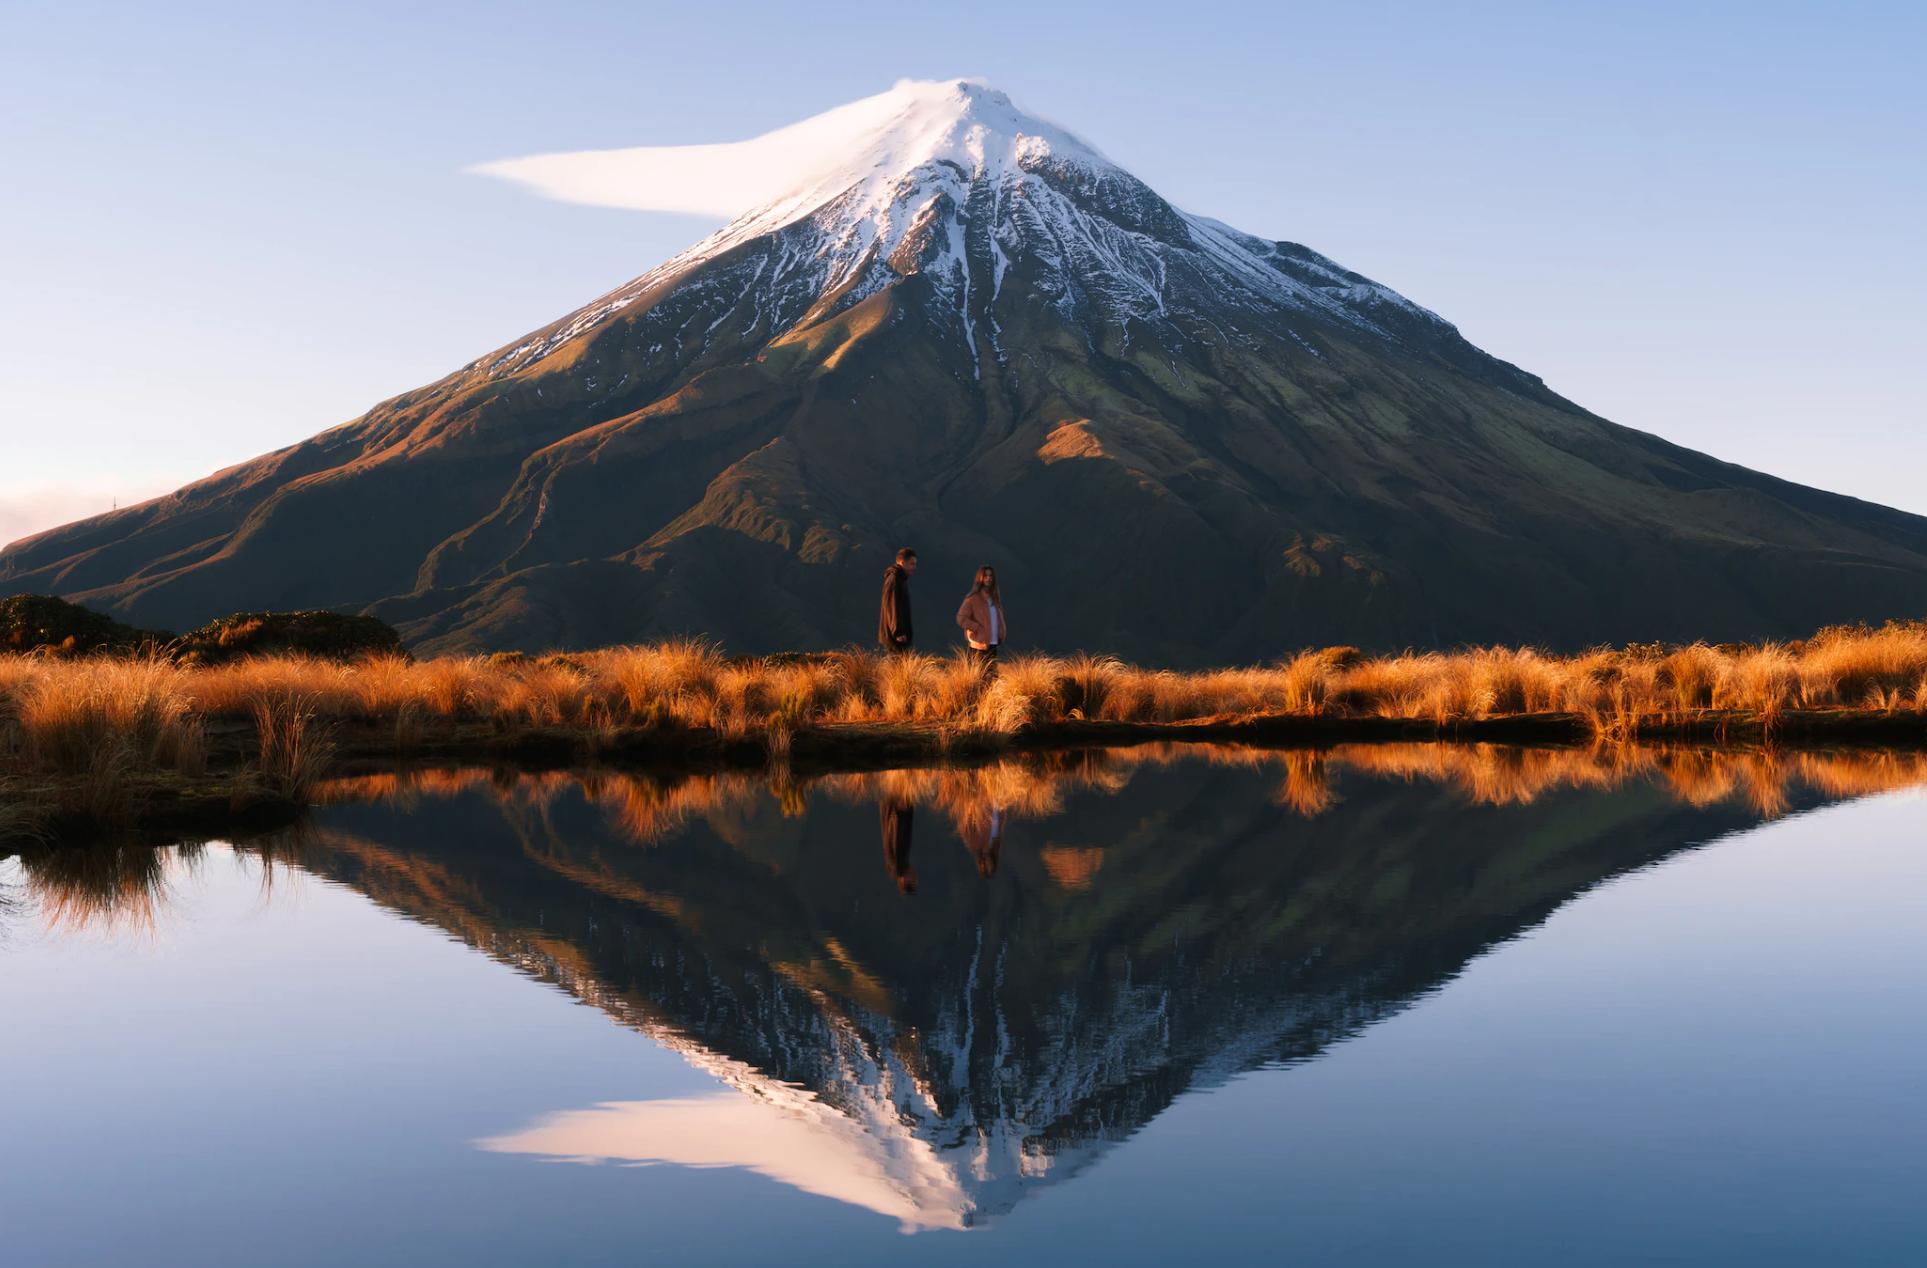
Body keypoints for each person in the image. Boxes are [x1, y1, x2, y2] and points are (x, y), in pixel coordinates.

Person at [954, 564, 1006, 671]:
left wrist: (1001, 633)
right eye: (985, 576)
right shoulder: (973, 598)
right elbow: (961, 618)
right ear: (980, 578)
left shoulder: (995, 598)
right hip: (978, 646)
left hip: (993, 644)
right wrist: (977, 628)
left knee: (991, 677)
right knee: (979, 677)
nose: (988, 578)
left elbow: (998, 619)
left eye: (990, 576)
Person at [878, 547, 917, 653]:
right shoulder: (895, 580)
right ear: (902, 562)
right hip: (895, 638)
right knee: (896, 665)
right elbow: (892, 607)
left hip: (896, 635)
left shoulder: (900, 579)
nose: (914, 567)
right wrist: (898, 632)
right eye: (912, 564)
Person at [879, 798, 917, 895]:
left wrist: (899, 812)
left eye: (912, 880)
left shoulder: (897, 862)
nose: (915, 876)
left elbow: (895, 834)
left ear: (903, 881)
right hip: (896, 810)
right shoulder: (898, 864)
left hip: (896, 808)